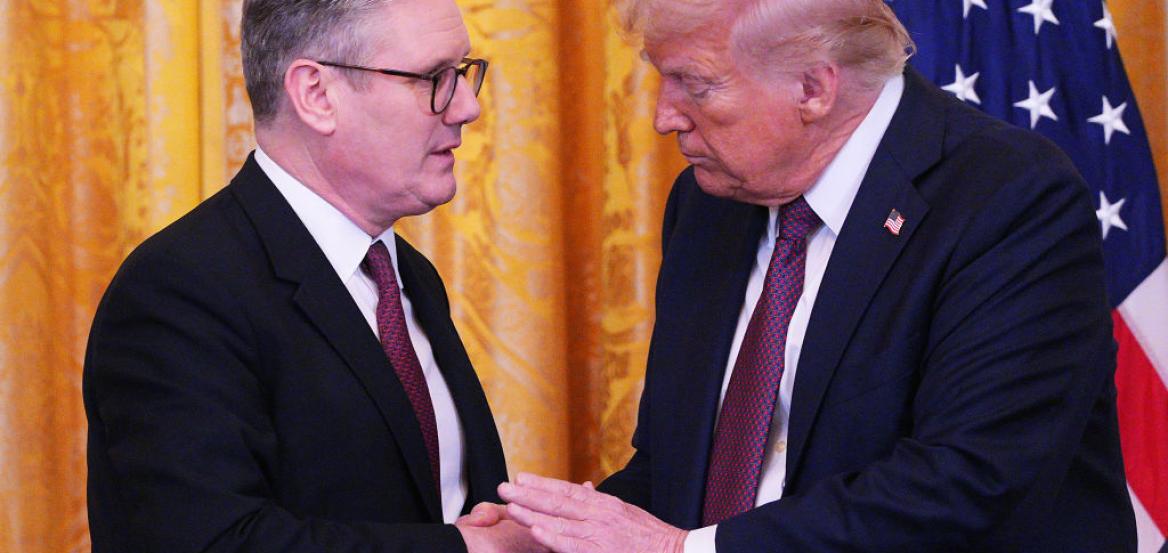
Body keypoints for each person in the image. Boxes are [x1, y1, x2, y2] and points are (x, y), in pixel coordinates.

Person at [493, 0, 1137, 551]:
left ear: (813, 89)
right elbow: (680, 468)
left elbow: (967, 481)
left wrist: (682, 550)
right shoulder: (708, 204)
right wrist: (555, 532)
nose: (665, 116)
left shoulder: (1007, 199)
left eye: (696, 84)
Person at [83, 1, 544, 551]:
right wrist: (470, 549)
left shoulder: (408, 275)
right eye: (433, 78)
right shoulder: (178, 291)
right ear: (317, 95)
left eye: (463, 72)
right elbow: (210, 540)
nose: (467, 106)